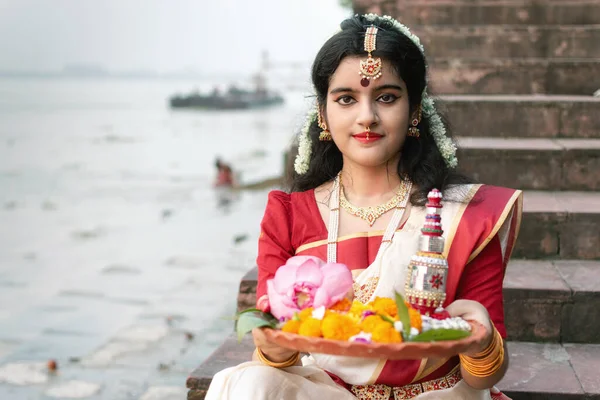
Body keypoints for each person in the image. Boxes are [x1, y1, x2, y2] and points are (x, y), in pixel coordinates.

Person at [206, 14, 521, 400]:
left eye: (387, 97)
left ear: (415, 110)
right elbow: (279, 361)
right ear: (323, 113)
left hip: (440, 395)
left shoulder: (465, 216)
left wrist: (482, 343)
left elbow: (482, 378)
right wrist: (273, 346)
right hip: (327, 393)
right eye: (346, 99)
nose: (367, 116)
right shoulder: (289, 215)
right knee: (253, 384)